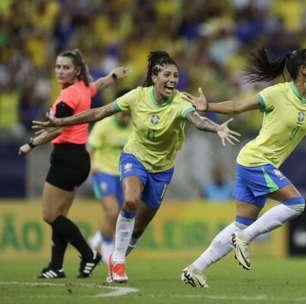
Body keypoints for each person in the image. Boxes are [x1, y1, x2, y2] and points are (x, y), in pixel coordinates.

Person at [32, 50, 240, 283]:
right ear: (154, 77)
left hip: (162, 169)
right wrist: (62, 121)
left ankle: (116, 261)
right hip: (134, 158)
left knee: (139, 226)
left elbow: (197, 119)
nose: (172, 80)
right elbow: (99, 112)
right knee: (130, 200)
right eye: (167, 75)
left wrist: (217, 128)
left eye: (176, 76)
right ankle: (118, 262)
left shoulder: (181, 101)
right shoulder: (136, 96)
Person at [181, 48, 306, 288]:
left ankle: (195, 269)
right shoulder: (277, 93)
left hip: (255, 163)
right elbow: (239, 106)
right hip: (256, 161)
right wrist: (208, 107)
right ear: (303, 69)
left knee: (241, 223)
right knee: (296, 203)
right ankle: (245, 239)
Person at [19, 49, 128, 279]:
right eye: (58, 66)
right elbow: (97, 85)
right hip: (79, 159)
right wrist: (113, 77)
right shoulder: (82, 90)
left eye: (65, 67)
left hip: (66, 158)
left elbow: (58, 127)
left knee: (50, 215)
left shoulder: (68, 96)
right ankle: (56, 266)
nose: (60, 71)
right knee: (60, 215)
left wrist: (31, 143)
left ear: (76, 70)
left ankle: (89, 254)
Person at [87, 93, 132, 266]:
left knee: (119, 214)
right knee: (112, 211)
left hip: (124, 174)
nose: (126, 118)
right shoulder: (104, 124)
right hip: (103, 171)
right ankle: (107, 253)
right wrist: (92, 165)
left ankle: (96, 239)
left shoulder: (134, 126)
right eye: (124, 114)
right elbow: (90, 146)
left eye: (129, 115)